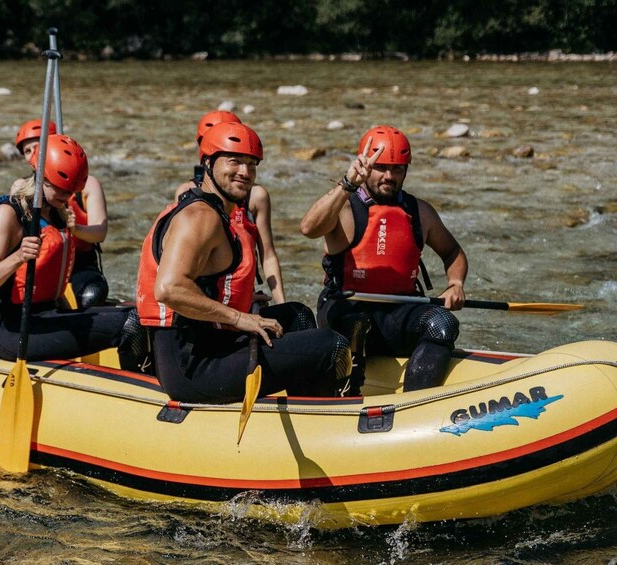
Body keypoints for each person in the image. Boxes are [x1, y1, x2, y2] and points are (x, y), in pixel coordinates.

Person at [137, 122, 352, 403]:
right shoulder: (199, 217)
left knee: (297, 315)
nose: (245, 172)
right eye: (235, 161)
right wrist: (241, 318)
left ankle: (304, 408)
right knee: (332, 345)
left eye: (252, 164)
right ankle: (325, 424)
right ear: (208, 163)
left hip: (212, 343)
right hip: (193, 366)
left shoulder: (214, 211)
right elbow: (168, 288)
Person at [300, 125, 468, 394]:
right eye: (381, 168)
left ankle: (416, 404)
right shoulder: (344, 205)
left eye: (398, 169)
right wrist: (347, 183)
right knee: (357, 324)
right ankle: (345, 397)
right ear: (365, 166)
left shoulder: (420, 212)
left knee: (443, 323)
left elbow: (453, 253)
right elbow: (308, 228)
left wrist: (455, 282)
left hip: (398, 313)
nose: (389, 176)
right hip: (345, 310)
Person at [0, 134, 146, 369]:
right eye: (59, 189)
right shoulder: (10, 213)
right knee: (132, 324)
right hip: (16, 329)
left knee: (143, 316)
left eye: (70, 191)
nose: (66, 197)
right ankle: (139, 390)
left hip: (49, 316)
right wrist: (18, 257)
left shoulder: (56, 212)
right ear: (40, 177)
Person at [175, 110, 286, 303]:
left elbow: (268, 256)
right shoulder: (186, 193)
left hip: (245, 294)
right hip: (205, 297)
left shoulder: (256, 196)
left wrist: (282, 303)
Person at [11, 119, 109, 308]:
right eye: (27, 151)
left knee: (92, 295)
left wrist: (75, 228)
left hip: (79, 265)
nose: (33, 156)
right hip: (42, 262)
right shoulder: (20, 188)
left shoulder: (87, 185)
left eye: (37, 148)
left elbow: (100, 233)